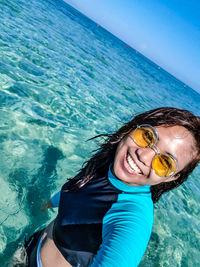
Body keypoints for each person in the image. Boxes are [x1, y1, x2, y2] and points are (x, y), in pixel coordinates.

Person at [22, 107, 200, 267]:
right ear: (135, 127)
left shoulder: (132, 220)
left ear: (171, 177)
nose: (143, 156)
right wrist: (49, 203)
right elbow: (79, 190)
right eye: (147, 136)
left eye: (164, 162)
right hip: (32, 244)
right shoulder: (108, 159)